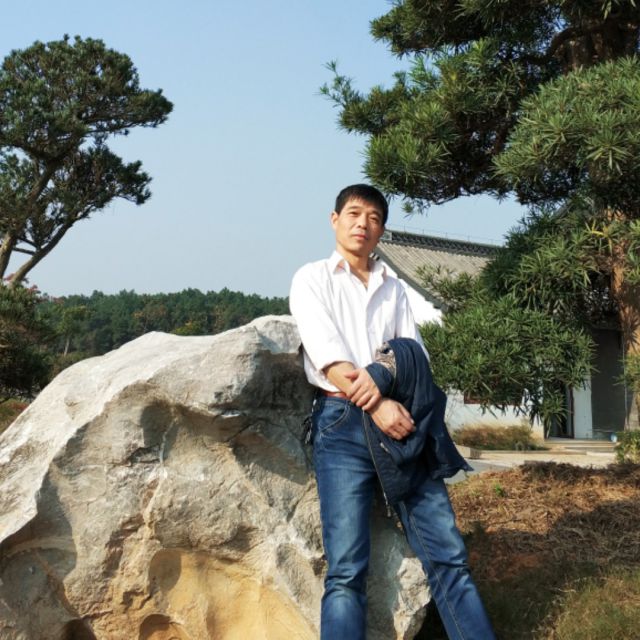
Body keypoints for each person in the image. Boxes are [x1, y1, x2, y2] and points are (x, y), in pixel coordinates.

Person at [289, 184, 496, 640]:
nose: (363, 224)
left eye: (374, 218)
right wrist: (379, 403)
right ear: (334, 220)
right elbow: (330, 360)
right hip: (342, 424)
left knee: (449, 557)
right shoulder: (311, 279)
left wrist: (388, 395)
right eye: (354, 214)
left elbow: (414, 355)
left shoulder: (394, 287)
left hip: (402, 426)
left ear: (382, 230)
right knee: (346, 570)